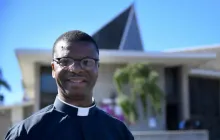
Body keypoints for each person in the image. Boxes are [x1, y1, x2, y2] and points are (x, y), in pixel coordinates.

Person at [5, 30, 134, 140]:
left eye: (87, 61)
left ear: (97, 68)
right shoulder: (25, 134)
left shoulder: (120, 133)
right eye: (65, 61)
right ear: (53, 69)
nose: (76, 69)